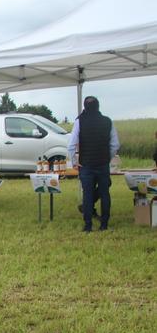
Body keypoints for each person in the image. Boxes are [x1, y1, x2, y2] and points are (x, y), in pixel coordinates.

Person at [68, 96, 120, 232]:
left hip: (86, 165)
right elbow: (115, 144)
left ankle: (88, 225)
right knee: (104, 194)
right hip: (102, 164)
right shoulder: (108, 121)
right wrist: (107, 158)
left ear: (85, 107)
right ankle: (104, 225)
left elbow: (71, 145)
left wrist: (74, 162)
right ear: (98, 106)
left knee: (88, 195)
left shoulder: (80, 121)